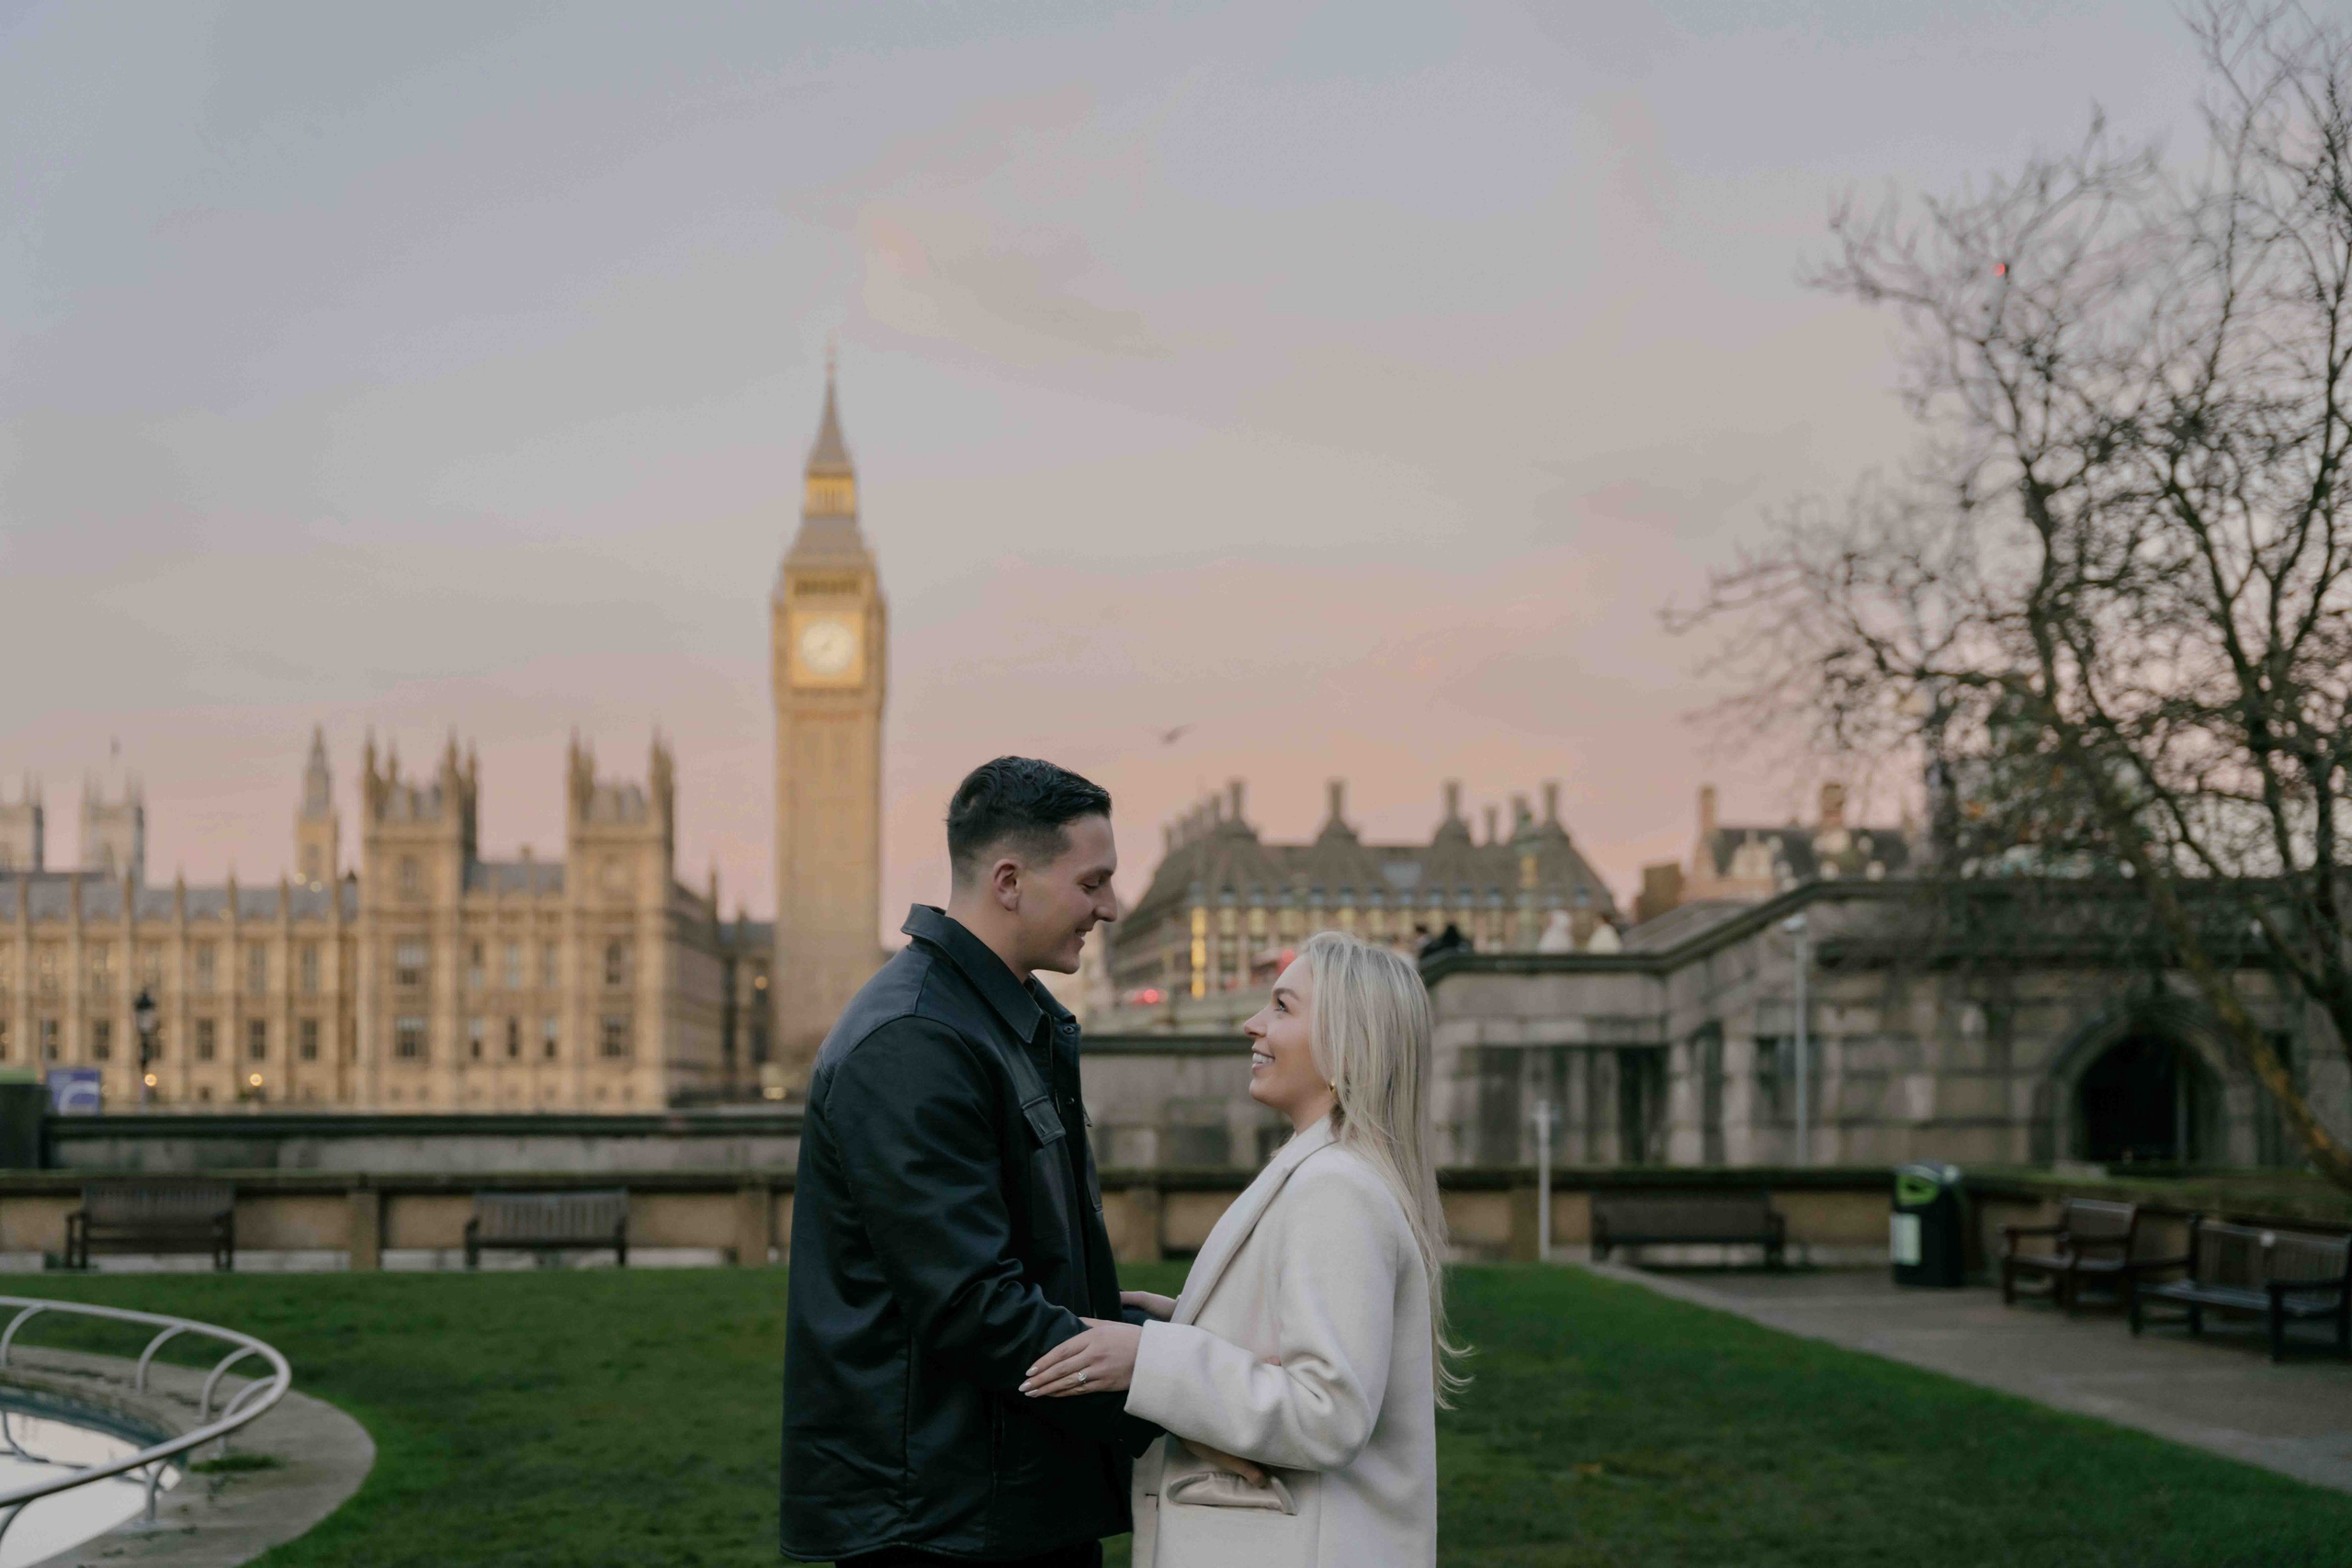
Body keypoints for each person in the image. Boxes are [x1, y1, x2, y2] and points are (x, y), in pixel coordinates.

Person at [780, 757, 1159, 1568]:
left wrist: (1159, 1338)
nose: (1112, 907)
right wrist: (1178, 1389)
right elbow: (972, 1303)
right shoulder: (915, 1038)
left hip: (1004, 1495)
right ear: (1011, 881)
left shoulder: (995, 1021)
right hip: (945, 1518)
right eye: (1093, 882)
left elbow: (1032, 1273)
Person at [1023, 931, 1467, 1568]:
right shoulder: (1325, 1171)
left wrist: (1149, 1359)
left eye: (1282, 1007)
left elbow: (1329, 1413)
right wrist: (1189, 1321)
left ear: (1346, 1042)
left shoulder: (1336, 1186)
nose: (1251, 1022)